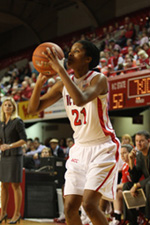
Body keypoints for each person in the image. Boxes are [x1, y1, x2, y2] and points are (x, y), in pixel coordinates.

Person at [28, 40, 120, 225]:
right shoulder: (63, 84)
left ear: (88, 59)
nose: (70, 54)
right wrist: (39, 82)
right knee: (69, 207)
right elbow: (32, 109)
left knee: (89, 205)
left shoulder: (98, 79)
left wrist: (60, 70)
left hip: (102, 147)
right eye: (71, 50)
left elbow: (80, 99)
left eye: (77, 51)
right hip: (79, 149)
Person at [0, 97, 27, 223]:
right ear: (2, 108)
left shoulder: (17, 121)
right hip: (4, 156)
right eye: (5, 105)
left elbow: (24, 140)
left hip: (15, 156)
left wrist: (9, 146)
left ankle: (17, 214)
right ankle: (3, 213)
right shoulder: (1, 123)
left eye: (10, 105)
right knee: (3, 185)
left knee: (15, 185)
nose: (7, 107)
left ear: (13, 107)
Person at [123, 130, 150, 225]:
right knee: (126, 186)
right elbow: (135, 178)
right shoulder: (139, 156)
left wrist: (137, 185)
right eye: (136, 141)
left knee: (148, 185)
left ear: (148, 141)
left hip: (148, 184)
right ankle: (131, 221)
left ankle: (148, 219)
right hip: (146, 183)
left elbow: (137, 182)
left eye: (141, 141)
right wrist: (131, 161)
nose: (138, 143)